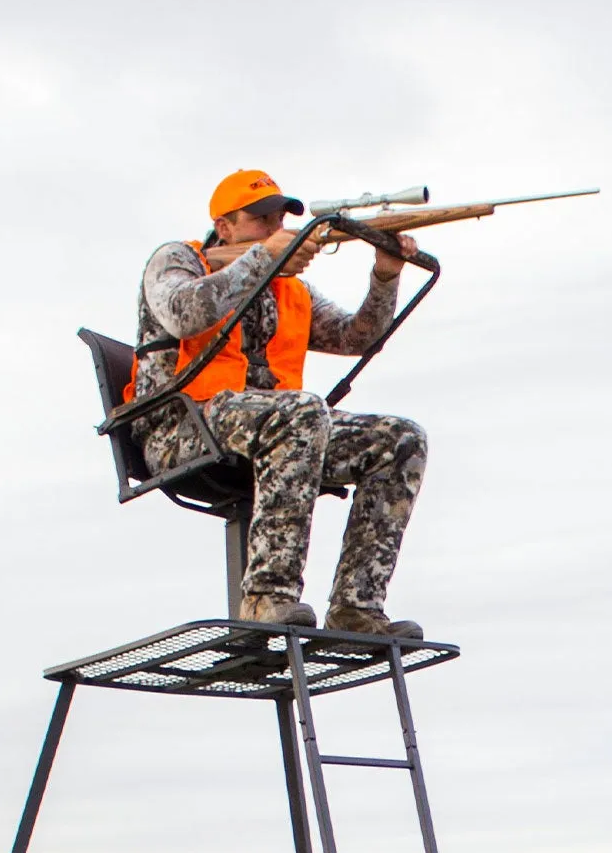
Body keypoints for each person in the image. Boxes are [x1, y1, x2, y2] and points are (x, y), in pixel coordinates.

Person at [128, 168, 428, 636]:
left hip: (277, 426)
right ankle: (266, 599)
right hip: (181, 427)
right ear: (224, 227)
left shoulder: (290, 287)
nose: (273, 229)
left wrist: (385, 276)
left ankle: (356, 609)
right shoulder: (176, 259)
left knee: (399, 439)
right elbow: (185, 314)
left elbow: (356, 336)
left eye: (278, 219)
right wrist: (259, 261)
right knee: (302, 411)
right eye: (259, 219)